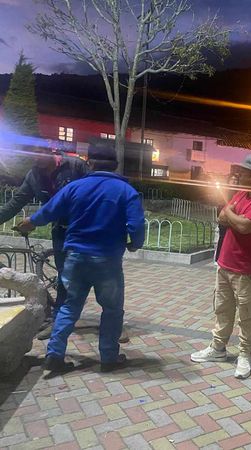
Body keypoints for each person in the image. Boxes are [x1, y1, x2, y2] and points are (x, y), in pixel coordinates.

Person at [16, 144, 145, 373]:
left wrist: (30, 223)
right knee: (112, 310)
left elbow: (49, 211)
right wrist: (134, 244)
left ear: (90, 162)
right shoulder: (126, 191)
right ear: (115, 166)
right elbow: (136, 226)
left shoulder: (75, 187)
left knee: (68, 307)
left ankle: (54, 355)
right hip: (107, 260)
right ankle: (109, 357)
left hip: (75, 258)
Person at [191, 155, 251, 379]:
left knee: (246, 315)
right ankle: (218, 348)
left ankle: (245, 354)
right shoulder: (240, 194)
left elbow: (245, 226)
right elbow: (221, 218)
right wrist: (233, 216)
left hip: (246, 269)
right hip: (225, 263)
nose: (238, 174)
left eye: (243, 171)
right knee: (222, 309)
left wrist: (232, 214)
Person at [0, 146, 87, 339]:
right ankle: (59, 320)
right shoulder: (34, 176)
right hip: (60, 231)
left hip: (84, 230)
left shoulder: (75, 166)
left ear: (50, 150)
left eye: (38, 153)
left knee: (98, 275)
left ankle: (112, 323)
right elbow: (16, 203)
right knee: (64, 275)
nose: (35, 159)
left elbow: (96, 192)